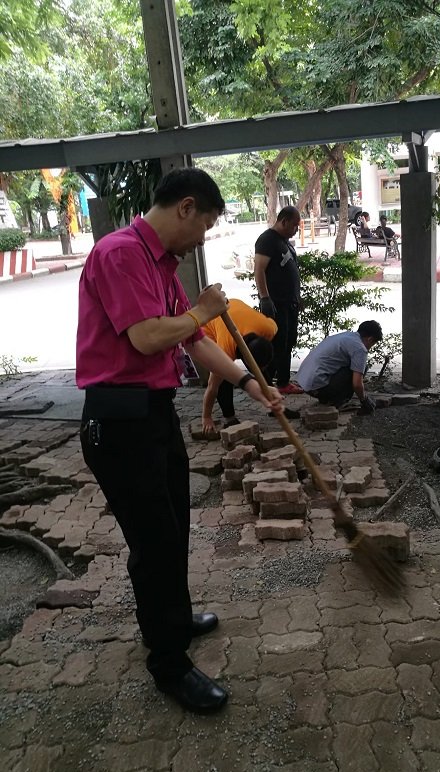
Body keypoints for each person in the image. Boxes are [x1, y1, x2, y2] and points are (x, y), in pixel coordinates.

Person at [76, 167, 284, 715]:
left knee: (174, 528)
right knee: (154, 542)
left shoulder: (162, 266)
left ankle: (170, 619)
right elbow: (148, 337)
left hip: (154, 415)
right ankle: (168, 662)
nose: (203, 238)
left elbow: (194, 343)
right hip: (119, 423)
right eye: (206, 225)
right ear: (186, 207)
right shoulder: (120, 254)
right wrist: (201, 311)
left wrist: (250, 383)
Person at [201, 298, 277, 433]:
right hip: (210, 322)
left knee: (261, 370)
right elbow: (212, 386)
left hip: (235, 309)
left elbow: (261, 360)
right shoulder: (224, 350)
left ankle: (274, 405)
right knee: (223, 378)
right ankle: (230, 418)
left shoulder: (269, 329)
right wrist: (206, 417)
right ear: (245, 360)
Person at [254, 206, 303, 394]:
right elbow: (259, 270)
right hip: (276, 303)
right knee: (278, 344)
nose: (296, 229)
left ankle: (283, 382)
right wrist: (265, 298)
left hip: (290, 302)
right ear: (284, 221)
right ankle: (266, 383)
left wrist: (297, 297)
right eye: (294, 225)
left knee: (288, 341)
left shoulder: (284, 242)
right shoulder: (267, 240)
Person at [296, 320, 383, 412]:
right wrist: (364, 400)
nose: (370, 347)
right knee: (360, 368)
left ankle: (327, 399)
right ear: (370, 339)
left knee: (353, 366)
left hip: (305, 385)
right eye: (373, 344)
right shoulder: (359, 348)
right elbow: (357, 384)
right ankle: (339, 401)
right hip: (318, 388)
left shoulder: (346, 336)